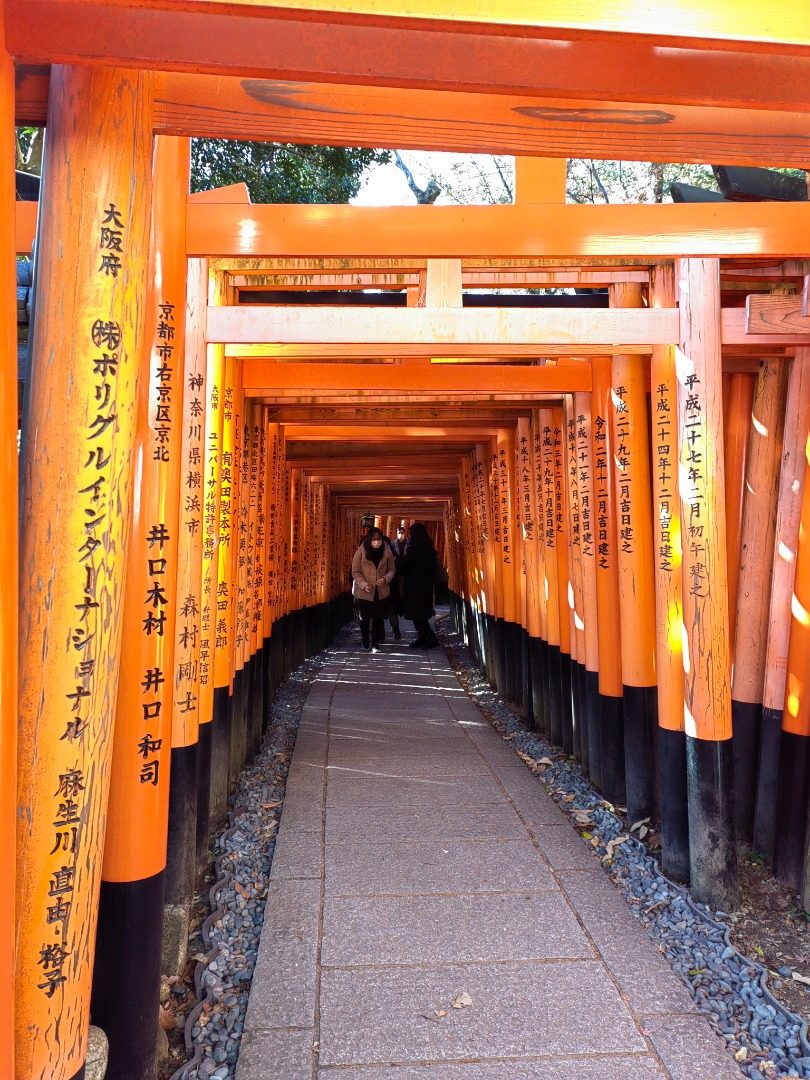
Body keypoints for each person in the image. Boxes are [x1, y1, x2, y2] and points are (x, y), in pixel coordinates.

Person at [396, 521, 440, 649]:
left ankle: (430, 639)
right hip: (426, 587)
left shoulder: (413, 550)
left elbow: (403, 567)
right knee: (421, 615)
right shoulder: (430, 549)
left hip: (414, 588)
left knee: (418, 616)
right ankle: (422, 638)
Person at [351, 526, 396, 652]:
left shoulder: (387, 551)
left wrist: (386, 579)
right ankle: (365, 638)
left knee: (378, 618)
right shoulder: (361, 551)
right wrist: (363, 584)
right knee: (364, 619)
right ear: (369, 539)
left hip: (380, 591)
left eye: (379, 539)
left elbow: (392, 569)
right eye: (374, 539)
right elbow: (355, 571)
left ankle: (375, 644)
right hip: (364, 591)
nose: (377, 542)